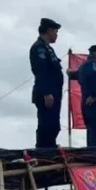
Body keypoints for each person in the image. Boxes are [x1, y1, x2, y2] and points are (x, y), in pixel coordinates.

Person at [30, 18, 64, 148]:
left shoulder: (47, 48)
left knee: (54, 125)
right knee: (47, 124)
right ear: (48, 31)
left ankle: (50, 147)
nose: (56, 35)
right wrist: (47, 93)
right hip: (47, 94)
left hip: (54, 93)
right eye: (55, 32)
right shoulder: (39, 48)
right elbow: (41, 71)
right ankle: (43, 150)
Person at [77, 45, 96, 147]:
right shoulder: (91, 65)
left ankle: (93, 150)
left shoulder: (87, 65)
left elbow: (79, 76)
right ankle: (94, 153)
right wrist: (94, 94)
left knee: (94, 132)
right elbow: (90, 78)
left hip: (92, 104)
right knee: (95, 131)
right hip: (94, 104)